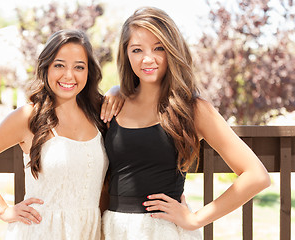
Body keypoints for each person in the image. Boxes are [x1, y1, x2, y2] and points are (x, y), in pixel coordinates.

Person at [101, 6, 271, 240]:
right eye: (137, 50)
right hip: (113, 229)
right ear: (126, 54)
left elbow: (256, 175)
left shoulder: (193, 109)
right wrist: (116, 89)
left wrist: (195, 219)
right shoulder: (114, 105)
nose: (147, 58)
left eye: (158, 48)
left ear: (172, 50)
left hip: (163, 231)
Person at [0, 29, 122, 240]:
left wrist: (119, 89)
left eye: (79, 67)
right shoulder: (29, 116)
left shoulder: (98, 114)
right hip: (40, 231)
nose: (68, 75)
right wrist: (4, 210)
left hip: (89, 232)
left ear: (88, 72)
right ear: (46, 67)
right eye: (59, 65)